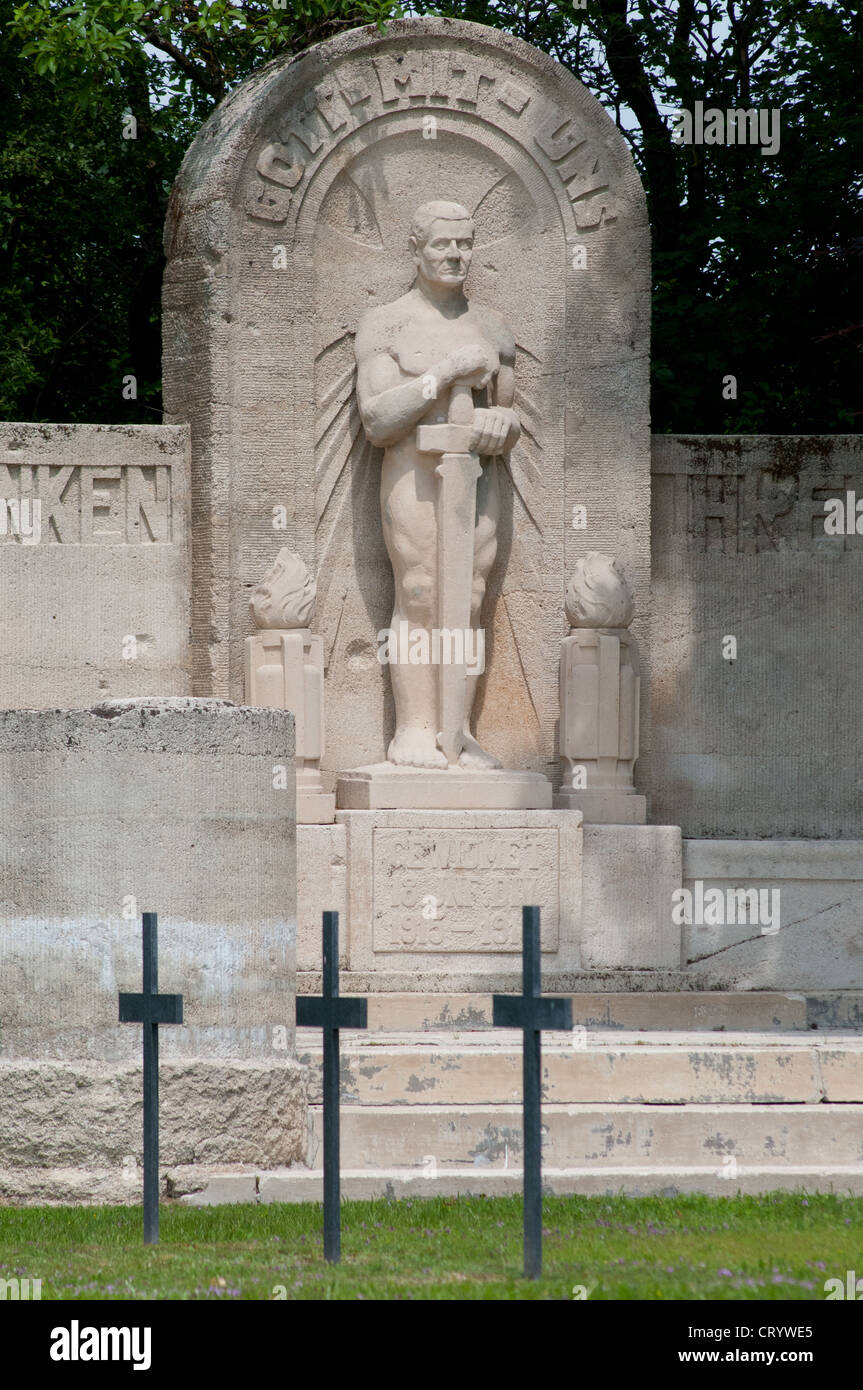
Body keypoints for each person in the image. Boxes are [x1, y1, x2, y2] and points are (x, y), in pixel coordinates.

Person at [354, 200, 521, 769]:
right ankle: (415, 730)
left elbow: (508, 414)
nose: (455, 255)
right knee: (421, 593)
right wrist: (442, 375)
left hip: (475, 477)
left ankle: (459, 732)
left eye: (464, 244)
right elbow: (377, 419)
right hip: (412, 473)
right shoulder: (387, 323)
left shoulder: (494, 328)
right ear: (416, 248)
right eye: (441, 244)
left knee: (469, 598)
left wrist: (502, 425)